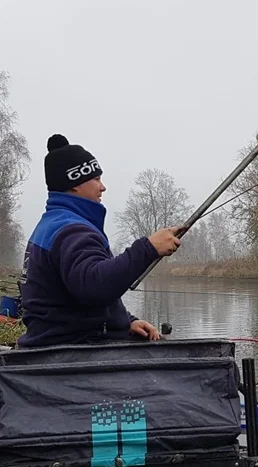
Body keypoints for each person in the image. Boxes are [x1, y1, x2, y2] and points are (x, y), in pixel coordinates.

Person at [16, 134, 183, 349]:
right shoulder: (71, 230)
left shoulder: (54, 224)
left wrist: (126, 321)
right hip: (70, 352)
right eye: (96, 179)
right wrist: (148, 248)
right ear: (74, 183)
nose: (102, 187)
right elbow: (94, 285)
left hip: (59, 343)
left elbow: (80, 295)